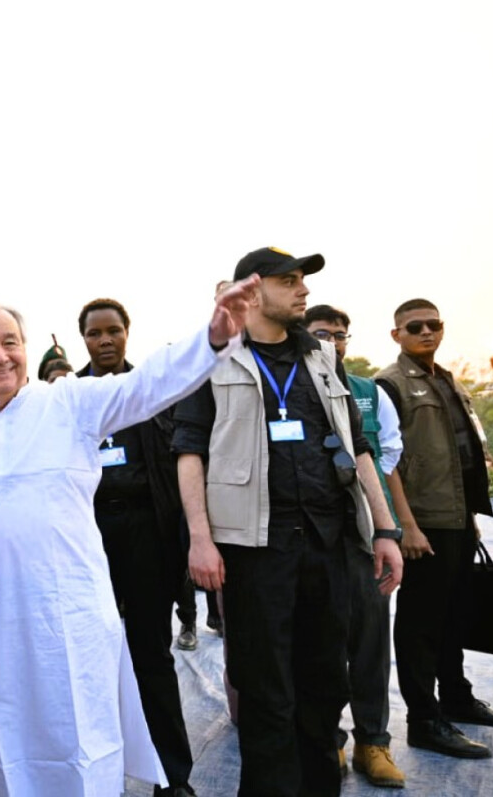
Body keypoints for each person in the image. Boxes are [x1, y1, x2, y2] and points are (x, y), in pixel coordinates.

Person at [0, 276, 259, 796]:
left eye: (10, 342)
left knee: (81, 737)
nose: (0, 356)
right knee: (2, 743)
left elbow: (146, 385)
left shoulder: (69, 403)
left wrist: (212, 338)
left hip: (69, 618)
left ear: (25, 350)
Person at [175, 247, 403, 797]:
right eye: (290, 281)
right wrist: (200, 541)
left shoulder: (324, 357)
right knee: (266, 694)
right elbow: (189, 452)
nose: (303, 291)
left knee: (326, 686)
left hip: (328, 547)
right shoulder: (211, 359)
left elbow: (360, 447)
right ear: (251, 292)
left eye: (303, 280)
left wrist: (385, 528)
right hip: (255, 554)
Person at [376, 299, 493, 759]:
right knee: (421, 623)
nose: (425, 332)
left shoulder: (446, 379)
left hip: (457, 518)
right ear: (396, 334)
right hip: (424, 523)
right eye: (413, 326)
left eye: (432, 324)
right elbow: (387, 462)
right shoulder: (390, 384)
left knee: (456, 613)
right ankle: (424, 720)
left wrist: (471, 517)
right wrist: (407, 527)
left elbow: (461, 453)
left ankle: (457, 698)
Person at [75, 297, 197, 797]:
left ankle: (172, 778)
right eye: (94, 333)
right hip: (89, 540)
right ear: (82, 338)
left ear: (127, 333)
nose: (104, 341)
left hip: (149, 535)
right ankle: (92, 776)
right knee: (88, 661)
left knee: (151, 655)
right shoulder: (67, 396)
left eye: (112, 331)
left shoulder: (151, 391)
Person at [303, 304, 406, 788]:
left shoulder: (368, 391)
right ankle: (330, 742)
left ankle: (374, 742)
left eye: (340, 335)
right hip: (310, 535)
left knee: (369, 639)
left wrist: (387, 528)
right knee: (319, 645)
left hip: (362, 533)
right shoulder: (291, 386)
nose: (333, 342)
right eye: (322, 333)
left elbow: (386, 453)